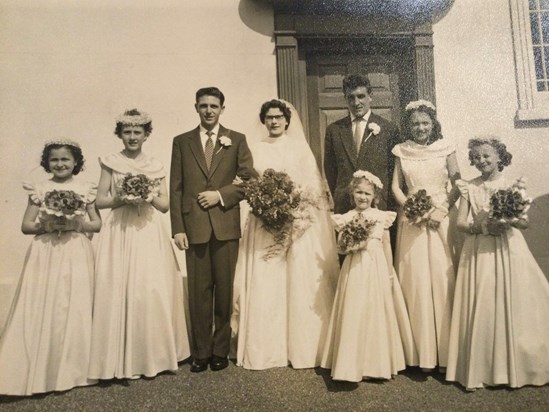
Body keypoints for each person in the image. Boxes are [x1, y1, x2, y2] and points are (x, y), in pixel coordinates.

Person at [232, 99, 338, 370]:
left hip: (295, 221)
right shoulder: (255, 148)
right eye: (269, 118)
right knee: (267, 281)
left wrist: (292, 206)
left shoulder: (300, 148)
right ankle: (268, 348)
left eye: (279, 117)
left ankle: (303, 348)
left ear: (287, 120)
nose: (274, 121)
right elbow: (249, 182)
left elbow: (312, 184)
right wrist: (265, 204)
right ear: (263, 121)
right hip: (265, 222)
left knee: (297, 281)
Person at [89, 109, 189, 380]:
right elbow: (100, 200)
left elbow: (165, 205)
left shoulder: (155, 165)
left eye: (138, 132)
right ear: (120, 134)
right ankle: (117, 357)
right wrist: (125, 196)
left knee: (149, 286)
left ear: (146, 135)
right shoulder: (110, 162)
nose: (132, 137)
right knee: (119, 285)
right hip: (120, 229)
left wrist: (146, 194)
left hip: (147, 228)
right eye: (127, 132)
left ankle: (151, 354)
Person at [446, 138, 549, 390]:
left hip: (508, 247)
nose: (482, 161)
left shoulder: (512, 185)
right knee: (483, 301)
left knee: (512, 300)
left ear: (499, 156)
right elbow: (460, 222)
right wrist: (481, 226)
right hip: (479, 248)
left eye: (487, 156)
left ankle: (518, 363)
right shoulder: (469, 186)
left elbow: (524, 223)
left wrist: (507, 218)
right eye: (477, 157)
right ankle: (483, 366)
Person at [0, 141, 101, 395]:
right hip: (46, 251)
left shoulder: (86, 188)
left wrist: (74, 226)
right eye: (54, 160)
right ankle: (40, 369)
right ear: (47, 163)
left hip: (75, 249)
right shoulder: (40, 188)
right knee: (45, 303)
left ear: (76, 162)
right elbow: (26, 225)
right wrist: (49, 225)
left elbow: (97, 223)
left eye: (65, 160)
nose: (60, 164)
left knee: (74, 304)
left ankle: (74, 369)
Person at [170, 88, 256, 373]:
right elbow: (176, 188)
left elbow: (249, 180)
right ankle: (201, 352)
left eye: (214, 106)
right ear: (196, 107)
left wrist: (220, 195)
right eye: (203, 106)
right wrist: (178, 229)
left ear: (222, 108)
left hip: (225, 226)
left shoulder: (237, 139)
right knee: (198, 292)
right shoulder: (181, 142)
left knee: (224, 291)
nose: (209, 110)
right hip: (193, 228)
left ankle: (219, 351)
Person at [320, 171, 414, 382]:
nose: (363, 197)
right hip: (354, 269)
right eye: (359, 192)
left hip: (377, 268)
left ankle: (375, 364)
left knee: (375, 310)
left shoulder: (382, 217)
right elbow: (341, 248)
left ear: (375, 197)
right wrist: (353, 244)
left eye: (367, 194)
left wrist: (389, 274)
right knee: (355, 309)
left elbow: (387, 246)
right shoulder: (346, 218)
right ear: (352, 194)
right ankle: (349, 363)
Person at [391, 100, 460, 372]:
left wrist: (442, 210)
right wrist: (410, 208)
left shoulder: (446, 148)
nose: (420, 128)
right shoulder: (401, 151)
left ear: (433, 124)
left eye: (425, 123)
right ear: (408, 126)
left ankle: (446, 353)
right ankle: (419, 353)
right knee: (415, 278)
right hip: (413, 221)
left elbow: (457, 183)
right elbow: (396, 186)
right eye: (415, 124)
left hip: (440, 220)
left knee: (442, 278)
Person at [324, 74, 400, 214]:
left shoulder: (388, 129)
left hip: (377, 206)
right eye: (351, 97)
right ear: (345, 98)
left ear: (370, 96)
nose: (356, 102)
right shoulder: (334, 130)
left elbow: (393, 171)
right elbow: (330, 171)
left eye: (361, 96)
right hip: (345, 207)